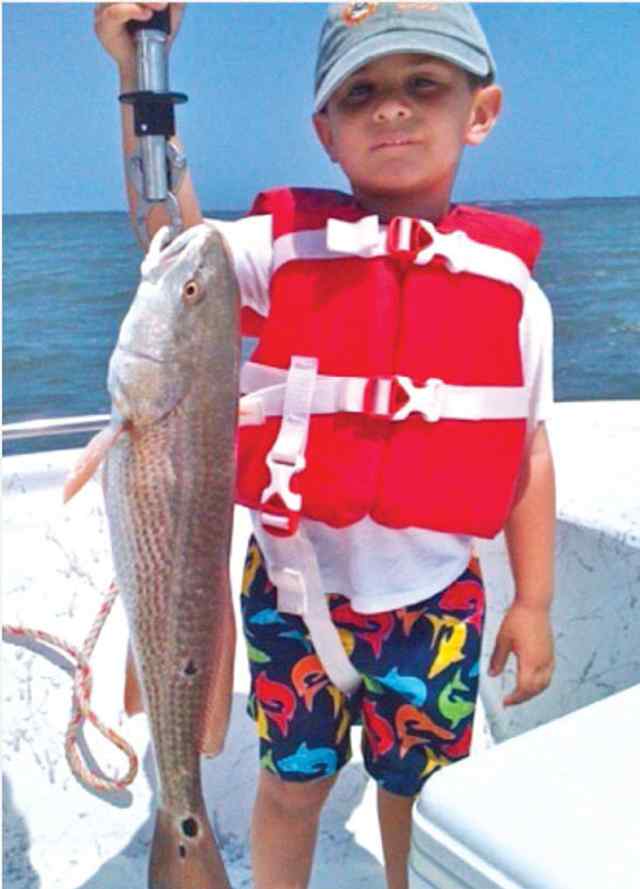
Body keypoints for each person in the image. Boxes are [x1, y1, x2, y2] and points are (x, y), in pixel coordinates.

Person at [95, 4, 556, 888]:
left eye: (423, 85)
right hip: (290, 597)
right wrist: (137, 77)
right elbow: (172, 243)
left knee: (417, 794)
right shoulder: (279, 250)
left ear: (481, 111)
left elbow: (527, 452)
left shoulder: (513, 292)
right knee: (290, 788)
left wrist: (531, 601)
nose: (391, 109)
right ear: (326, 132)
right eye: (361, 92)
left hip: (435, 607)